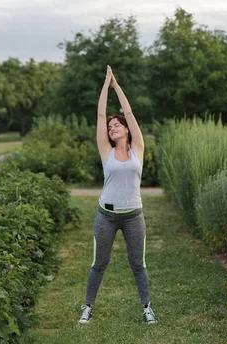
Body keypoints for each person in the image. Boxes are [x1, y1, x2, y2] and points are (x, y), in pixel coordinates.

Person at [78, 65, 157, 324]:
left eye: (116, 125)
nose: (112, 127)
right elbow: (100, 115)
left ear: (126, 129)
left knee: (138, 264)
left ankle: (147, 308)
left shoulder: (138, 149)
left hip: (134, 216)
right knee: (99, 264)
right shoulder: (106, 151)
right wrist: (104, 85)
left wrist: (117, 87)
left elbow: (130, 111)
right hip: (107, 216)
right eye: (110, 127)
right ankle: (88, 307)